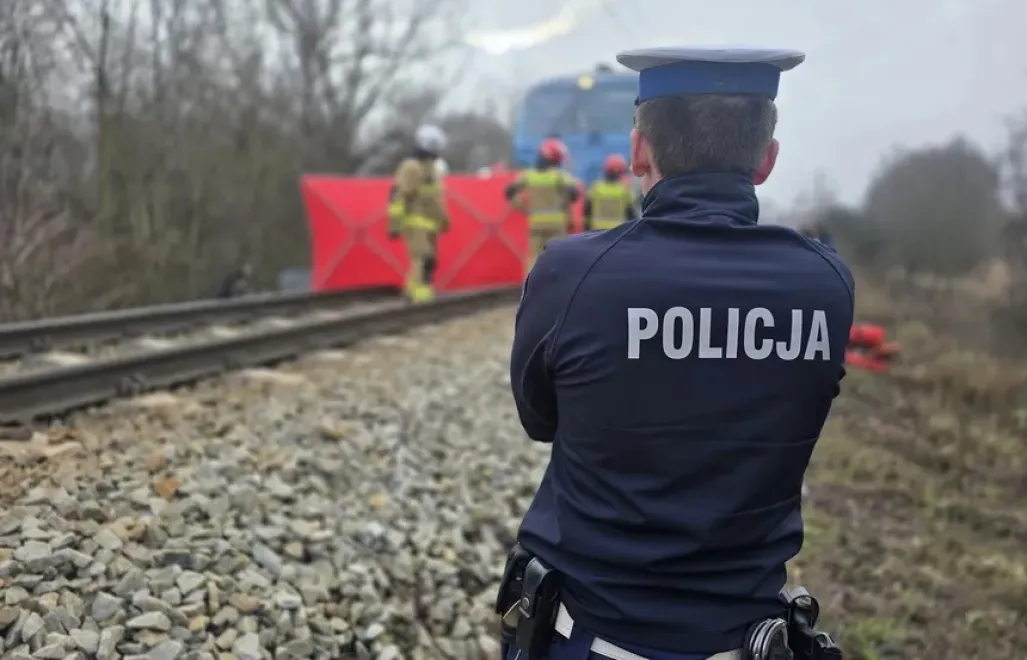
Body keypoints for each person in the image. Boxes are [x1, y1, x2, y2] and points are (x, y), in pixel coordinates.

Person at [500, 47, 854, 660]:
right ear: (766, 161)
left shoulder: (571, 273)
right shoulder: (826, 285)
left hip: (586, 639)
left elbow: (540, 419)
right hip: (745, 641)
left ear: (640, 151)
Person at [387, 124, 451, 303]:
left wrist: (444, 220)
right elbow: (399, 196)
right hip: (414, 222)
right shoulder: (411, 167)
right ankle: (414, 295)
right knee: (422, 257)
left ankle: (422, 294)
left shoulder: (432, 170)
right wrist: (394, 223)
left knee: (430, 261)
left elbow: (436, 199)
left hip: (430, 224)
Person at [504, 138, 581, 274]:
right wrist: (564, 203)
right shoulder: (559, 176)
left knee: (534, 259)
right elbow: (574, 194)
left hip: (535, 224)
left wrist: (523, 207)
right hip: (556, 225)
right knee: (558, 257)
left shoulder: (528, 175)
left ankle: (530, 289)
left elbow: (509, 192)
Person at [583, 154, 637, 231]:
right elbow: (632, 216)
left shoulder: (594, 189)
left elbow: (587, 213)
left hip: (596, 233)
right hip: (617, 235)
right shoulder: (625, 191)